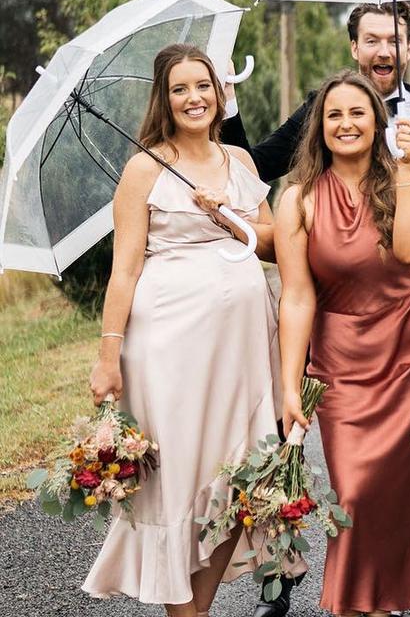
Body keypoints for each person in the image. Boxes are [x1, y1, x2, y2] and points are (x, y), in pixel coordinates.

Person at [84, 44, 279, 616]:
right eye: (180, 89)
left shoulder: (241, 162)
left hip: (241, 351)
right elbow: (124, 270)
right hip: (169, 350)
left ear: (220, 93)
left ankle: (200, 608)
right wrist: (107, 355)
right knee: (180, 480)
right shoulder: (144, 167)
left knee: (232, 480)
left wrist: (228, 214)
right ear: (164, 101)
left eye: (203, 86)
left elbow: (271, 243)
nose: (194, 98)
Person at [274, 70, 410, 617]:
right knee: (352, 493)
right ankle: (353, 605)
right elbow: (297, 298)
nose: (346, 124)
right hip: (341, 361)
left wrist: (405, 167)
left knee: (393, 498)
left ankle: (386, 605)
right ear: (318, 128)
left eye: (357, 113)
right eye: (334, 115)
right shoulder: (297, 198)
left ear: (379, 121)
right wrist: (288, 386)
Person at [220, 1, 410, 181]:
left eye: (394, 41)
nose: (384, 52)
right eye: (372, 41)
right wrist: (228, 99)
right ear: (355, 48)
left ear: (409, 49)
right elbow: (257, 168)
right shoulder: (321, 109)